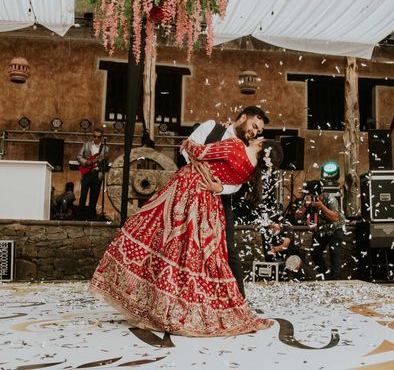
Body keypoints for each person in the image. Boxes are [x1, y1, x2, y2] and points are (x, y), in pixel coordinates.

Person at [90, 136, 283, 337]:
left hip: (188, 190)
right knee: (194, 254)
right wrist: (218, 187)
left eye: (262, 137)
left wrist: (187, 142)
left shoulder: (236, 147)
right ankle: (179, 305)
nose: (258, 136)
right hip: (209, 205)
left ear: (262, 145)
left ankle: (160, 302)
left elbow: (199, 152)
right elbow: (230, 184)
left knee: (154, 232)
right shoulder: (250, 170)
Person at [181, 105, 269, 298]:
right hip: (193, 192)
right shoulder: (213, 127)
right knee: (187, 242)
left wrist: (219, 188)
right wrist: (195, 163)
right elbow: (188, 145)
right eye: (253, 125)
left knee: (228, 248)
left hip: (222, 200)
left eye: (258, 131)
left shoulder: (246, 149)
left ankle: (239, 299)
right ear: (243, 117)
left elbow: (239, 184)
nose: (254, 132)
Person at [295, 180, 345, 280]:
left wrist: (321, 206)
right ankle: (325, 274)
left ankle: (335, 277)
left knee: (334, 252)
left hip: (335, 228)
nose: (311, 197)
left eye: (312, 195)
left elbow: (335, 217)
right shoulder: (307, 201)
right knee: (315, 252)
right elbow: (297, 216)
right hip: (321, 230)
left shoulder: (330, 199)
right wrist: (305, 205)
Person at [77, 128, 109, 220]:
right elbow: (78, 156)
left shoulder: (105, 148)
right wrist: (86, 162)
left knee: (94, 196)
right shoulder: (86, 145)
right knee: (83, 195)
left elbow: (106, 164)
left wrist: (104, 160)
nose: (96, 138)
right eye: (94, 136)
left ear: (101, 138)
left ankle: (91, 216)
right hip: (87, 173)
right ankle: (80, 216)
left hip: (97, 174)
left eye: (98, 137)